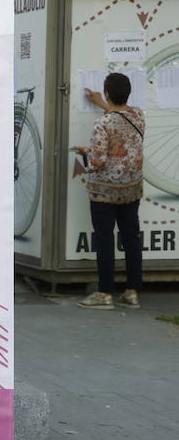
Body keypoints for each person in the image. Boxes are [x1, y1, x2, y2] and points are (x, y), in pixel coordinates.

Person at [73, 73, 145, 310]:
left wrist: (84, 151)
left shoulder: (102, 123)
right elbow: (121, 120)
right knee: (131, 238)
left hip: (104, 192)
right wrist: (102, 104)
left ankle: (104, 293)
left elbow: (97, 161)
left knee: (105, 240)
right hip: (131, 188)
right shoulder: (139, 115)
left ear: (106, 93)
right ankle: (132, 292)